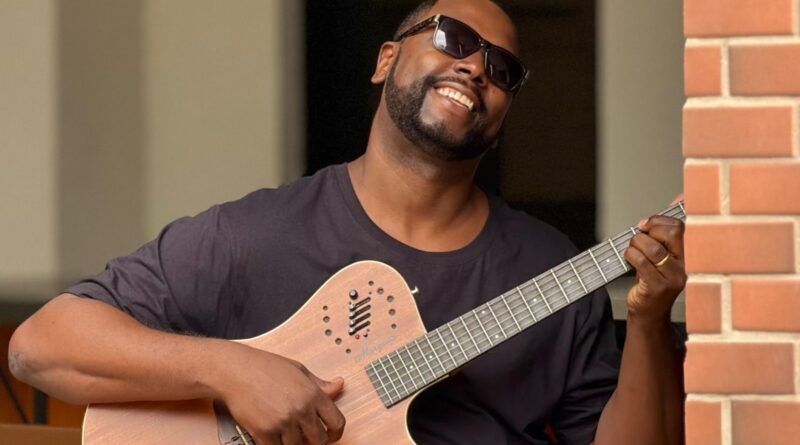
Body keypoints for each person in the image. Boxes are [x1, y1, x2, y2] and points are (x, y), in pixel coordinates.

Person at [9, 0, 686, 444]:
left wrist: (650, 320)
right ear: (386, 60)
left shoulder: (551, 270)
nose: (475, 67)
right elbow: (39, 346)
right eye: (453, 38)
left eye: (501, 69)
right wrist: (231, 370)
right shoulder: (258, 235)